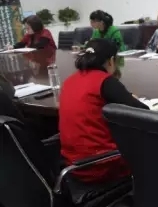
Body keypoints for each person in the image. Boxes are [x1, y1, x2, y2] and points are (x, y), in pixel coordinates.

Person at [58, 38, 149, 185]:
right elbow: (144, 113)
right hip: (103, 167)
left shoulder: (69, 81)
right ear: (111, 61)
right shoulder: (105, 81)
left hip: (73, 166)